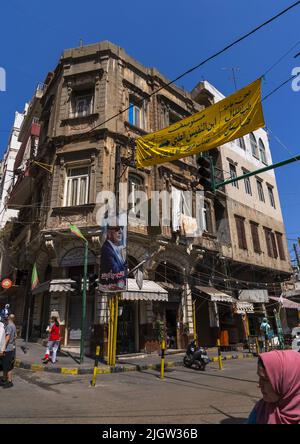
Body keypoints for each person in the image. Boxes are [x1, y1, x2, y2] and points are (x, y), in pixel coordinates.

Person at [247, 350, 300, 424]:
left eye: (265, 379)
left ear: (288, 382)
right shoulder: (260, 409)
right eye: (259, 377)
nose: (259, 385)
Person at [99, 225, 126, 291]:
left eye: (121, 229)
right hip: (110, 286)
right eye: (117, 229)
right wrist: (126, 271)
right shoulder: (107, 249)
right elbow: (115, 271)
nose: (120, 232)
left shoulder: (115, 249)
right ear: (108, 233)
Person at [0, 314, 17, 389]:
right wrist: (12, 344)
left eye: (6, 318)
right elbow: (16, 336)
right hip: (11, 348)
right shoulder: (13, 325)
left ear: (8, 318)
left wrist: (3, 348)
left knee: (7, 366)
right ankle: (4, 379)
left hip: (7, 349)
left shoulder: (9, 326)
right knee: (5, 365)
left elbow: (7, 337)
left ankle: (9, 381)